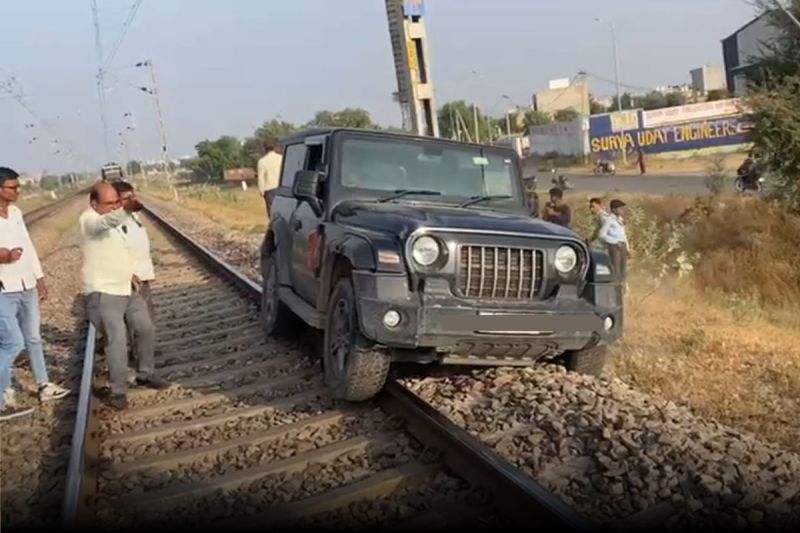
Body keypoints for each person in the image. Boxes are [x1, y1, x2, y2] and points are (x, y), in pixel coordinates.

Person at [80, 182, 169, 410]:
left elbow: (118, 250)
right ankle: (118, 389)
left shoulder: (117, 220)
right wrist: (126, 209)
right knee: (117, 339)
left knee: (146, 328)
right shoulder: (89, 220)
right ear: (93, 203)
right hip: (104, 291)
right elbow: (105, 222)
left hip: (127, 287)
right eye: (109, 203)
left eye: (117, 203)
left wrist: (130, 273)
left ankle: (145, 373)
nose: (114, 208)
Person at [1, 167, 70, 420]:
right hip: (3, 289)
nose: (18, 191)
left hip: (26, 283)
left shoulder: (17, 213)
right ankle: (4, 393)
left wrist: (39, 277)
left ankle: (44, 385)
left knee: (33, 338)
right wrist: (4, 256)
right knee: (10, 343)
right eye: (13, 187)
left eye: (18, 186)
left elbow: (27, 246)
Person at [110, 180, 156, 374]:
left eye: (132, 196)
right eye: (126, 198)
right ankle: (140, 367)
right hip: (129, 281)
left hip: (143, 278)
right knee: (139, 326)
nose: (131, 200)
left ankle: (143, 360)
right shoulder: (114, 222)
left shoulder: (134, 216)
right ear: (116, 201)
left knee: (147, 324)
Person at [598, 199, 630, 284]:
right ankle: (615, 288)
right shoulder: (609, 220)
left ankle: (622, 288)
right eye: (619, 208)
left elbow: (623, 235)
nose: (622, 210)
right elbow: (602, 235)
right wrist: (615, 242)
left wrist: (628, 248)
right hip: (614, 246)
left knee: (623, 269)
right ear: (613, 209)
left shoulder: (620, 220)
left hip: (622, 245)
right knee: (616, 269)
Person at [257, 141, 283, 217]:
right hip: (282, 187)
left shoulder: (262, 161)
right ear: (274, 148)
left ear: (264, 149)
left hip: (270, 189)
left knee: (271, 212)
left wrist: (261, 191)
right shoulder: (281, 158)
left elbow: (261, 177)